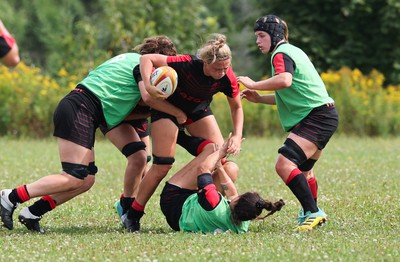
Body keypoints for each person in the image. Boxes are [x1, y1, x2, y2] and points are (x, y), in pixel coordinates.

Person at [0, 35, 183, 233]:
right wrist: (180, 114)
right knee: (74, 176)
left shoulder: (130, 60)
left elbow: (132, 109)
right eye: (165, 63)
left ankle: (32, 213)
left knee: (87, 180)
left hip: (90, 109)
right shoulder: (141, 66)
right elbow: (148, 99)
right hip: (81, 107)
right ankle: (10, 197)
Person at [123, 33, 244, 233]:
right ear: (205, 62)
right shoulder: (187, 62)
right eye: (217, 68)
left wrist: (238, 136)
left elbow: (237, 107)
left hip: (197, 110)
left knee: (220, 158)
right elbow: (146, 59)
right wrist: (148, 84)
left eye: (226, 67)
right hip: (167, 109)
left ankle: (199, 207)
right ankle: (133, 215)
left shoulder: (227, 76)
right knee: (163, 165)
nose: (223, 72)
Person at [238, 15, 339, 232]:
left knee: (284, 164)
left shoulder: (280, 53)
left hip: (318, 117)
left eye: (262, 36)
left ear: (274, 36)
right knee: (304, 172)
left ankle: (313, 212)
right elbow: (289, 93)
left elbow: (285, 81)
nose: (258, 41)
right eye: (256, 36)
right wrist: (260, 98)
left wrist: (254, 83)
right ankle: (309, 213)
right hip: (324, 115)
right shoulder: (294, 51)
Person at [160, 134, 284, 233]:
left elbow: (202, 169)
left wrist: (221, 152)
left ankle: (178, 135)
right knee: (231, 168)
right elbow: (231, 192)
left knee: (211, 149)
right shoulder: (243, 224)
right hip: (190, 215)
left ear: (237, 200)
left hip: (173, 201)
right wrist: (219, 167)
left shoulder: (213, 202)